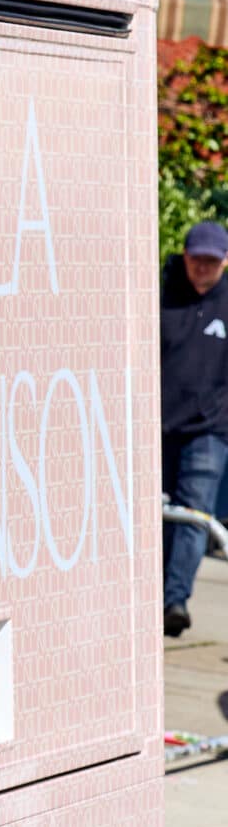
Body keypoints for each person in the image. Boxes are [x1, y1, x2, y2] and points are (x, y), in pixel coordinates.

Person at [161, 218, 228, 636]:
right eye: (197, 260)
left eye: (212, 262)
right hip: (158, 427)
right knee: (155, 514)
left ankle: (174, 601)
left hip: (209, 430)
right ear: (184, 256)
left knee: (193, 515)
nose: (203, 268)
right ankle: (151, 592)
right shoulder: (160, 293)